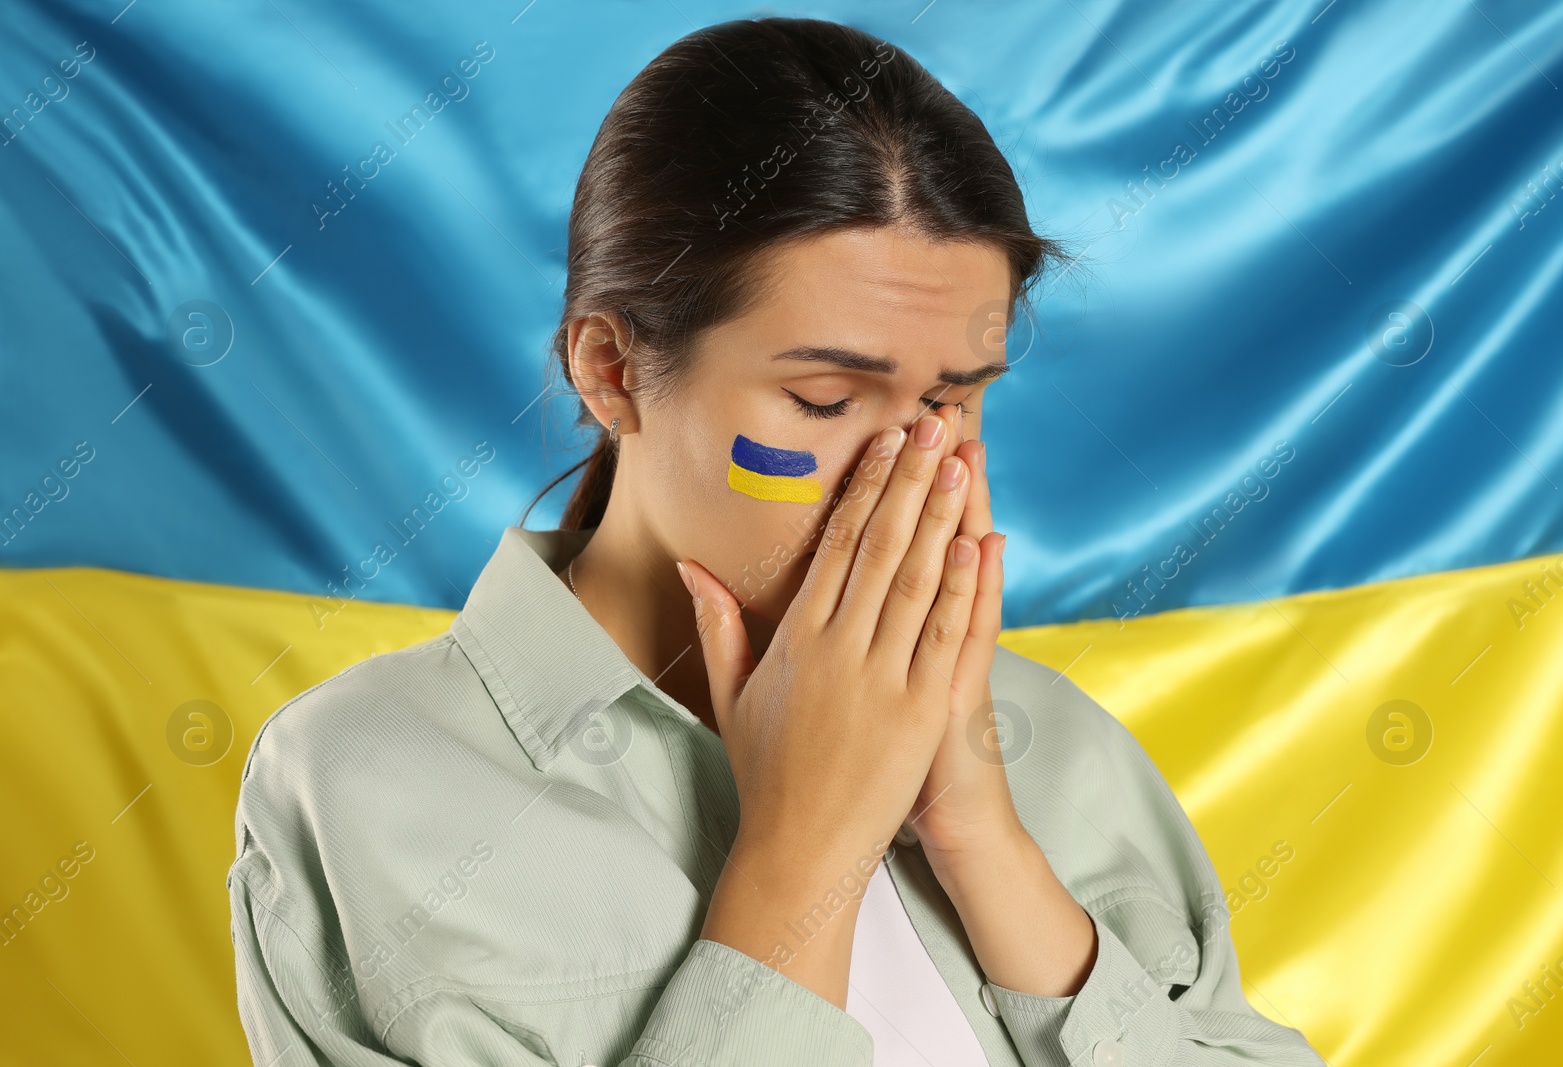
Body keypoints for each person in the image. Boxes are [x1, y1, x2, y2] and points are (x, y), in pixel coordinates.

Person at [228, 16, 1325, 1067]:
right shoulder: (367, 784)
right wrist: (804, 851)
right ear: (611, 371)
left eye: (949, 401)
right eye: (821, 397)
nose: (902, 471)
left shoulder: (1061, 749)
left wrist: (987, 846)